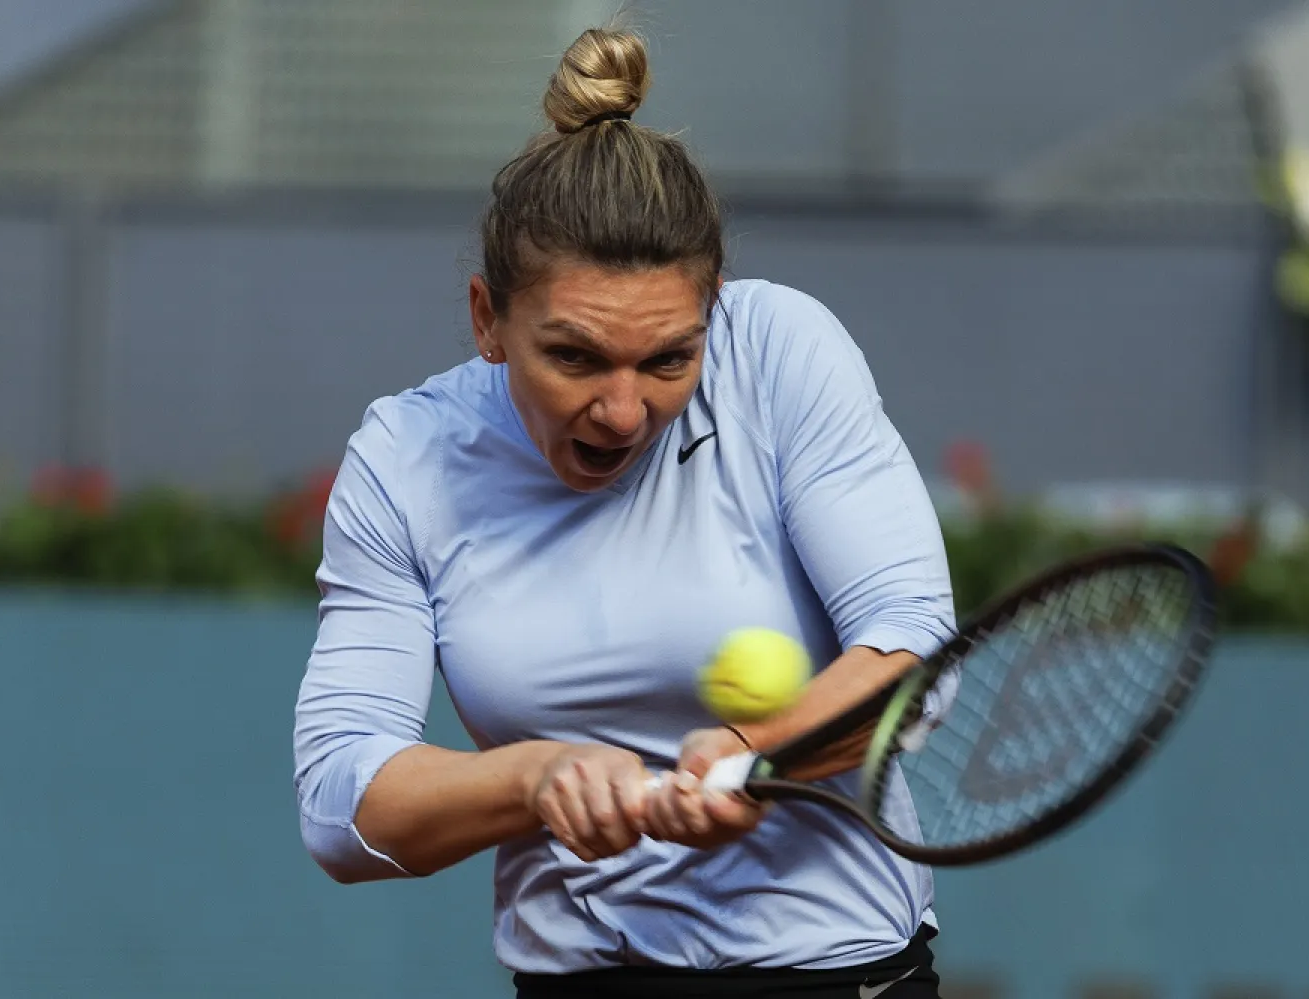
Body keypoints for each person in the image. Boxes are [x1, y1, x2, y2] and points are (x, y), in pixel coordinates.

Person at [292, 25, 959, 999]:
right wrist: (536, 777)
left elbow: (914, 648)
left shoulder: (779, 350)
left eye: (668, 359)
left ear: (712, 312)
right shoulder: (404, 457)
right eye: (574, 357)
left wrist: (754, 750)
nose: (622, 410)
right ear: (487, 319)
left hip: (836, 978)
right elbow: (341, 807)